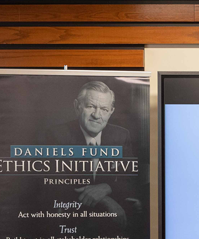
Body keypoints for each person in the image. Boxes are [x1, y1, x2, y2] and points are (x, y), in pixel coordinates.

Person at [45, 81, 134, 228]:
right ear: (77, 106)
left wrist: (107, 187)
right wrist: (106, 200)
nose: (96, 115)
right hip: (71, 222)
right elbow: (57, 185)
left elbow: (131, 179)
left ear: (111, 112)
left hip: (110, 225)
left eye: (104, 109)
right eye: (91, 106)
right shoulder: (57, 135)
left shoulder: (121, 136)